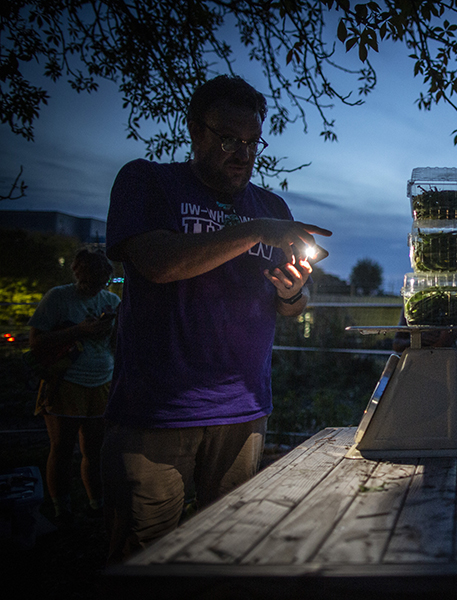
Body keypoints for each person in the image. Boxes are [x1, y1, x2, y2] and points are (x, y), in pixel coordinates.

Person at [102, 75, 332, 563]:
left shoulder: (271, 207)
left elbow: (292, 306)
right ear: (195, 131)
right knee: (146, 553)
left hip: (243, 408)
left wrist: (294, 293)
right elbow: (160, 263)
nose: (242, 153)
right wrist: (253, 231)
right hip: (157, 411)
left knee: (232, 550)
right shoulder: (147, 182)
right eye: (229, 139)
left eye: (252, 142)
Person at [28, 248, 120, 524]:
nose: (95, 287)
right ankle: (62, 509)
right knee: (62, 447)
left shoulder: (111, 300)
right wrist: (79, 330)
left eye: (101, 282)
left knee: (95, 448)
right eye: (90, 281)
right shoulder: (59, 297)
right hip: (65, 381)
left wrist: (108, 331)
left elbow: (115, 344)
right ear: (78, 273)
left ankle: (96, 503)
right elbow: (36, 341)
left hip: (101, 380)